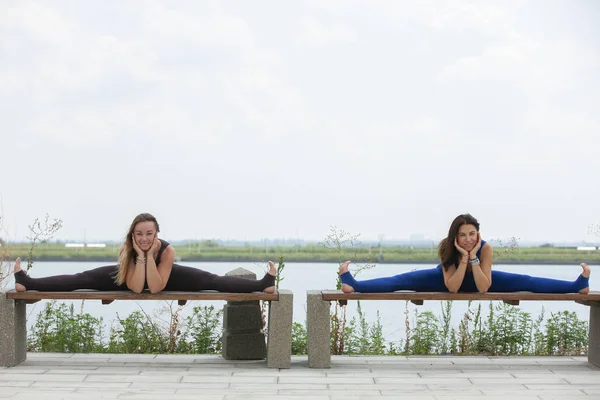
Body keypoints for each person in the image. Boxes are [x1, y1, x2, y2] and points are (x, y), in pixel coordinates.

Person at [13, 213, 276, 294]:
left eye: (149, 234)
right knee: (83, 278)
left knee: (211, 281)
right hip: (129, 276)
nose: (144, 238)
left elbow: (157, 286)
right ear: (132, 235)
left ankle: (264, 284)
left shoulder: (167, 250)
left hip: (166, 276)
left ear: (157, 233)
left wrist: (151, 256)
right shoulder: (126, 249)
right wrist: (139, 255)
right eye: (139, 234)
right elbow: (137, 288)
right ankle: (28, 282)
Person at [339, 213, 591, 294]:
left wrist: (473, 258)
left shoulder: (486, 248)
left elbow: (482, 287)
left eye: (472, 234)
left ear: (478, 234)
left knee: (526, 281)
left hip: (482, 276)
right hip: (446, 277)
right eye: (463, 235)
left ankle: (577, 284)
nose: (468, 239)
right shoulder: (446, 247)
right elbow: (452, 287)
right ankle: (354, 284)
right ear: (455, 237)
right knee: (402, 280)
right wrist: (461, 258)